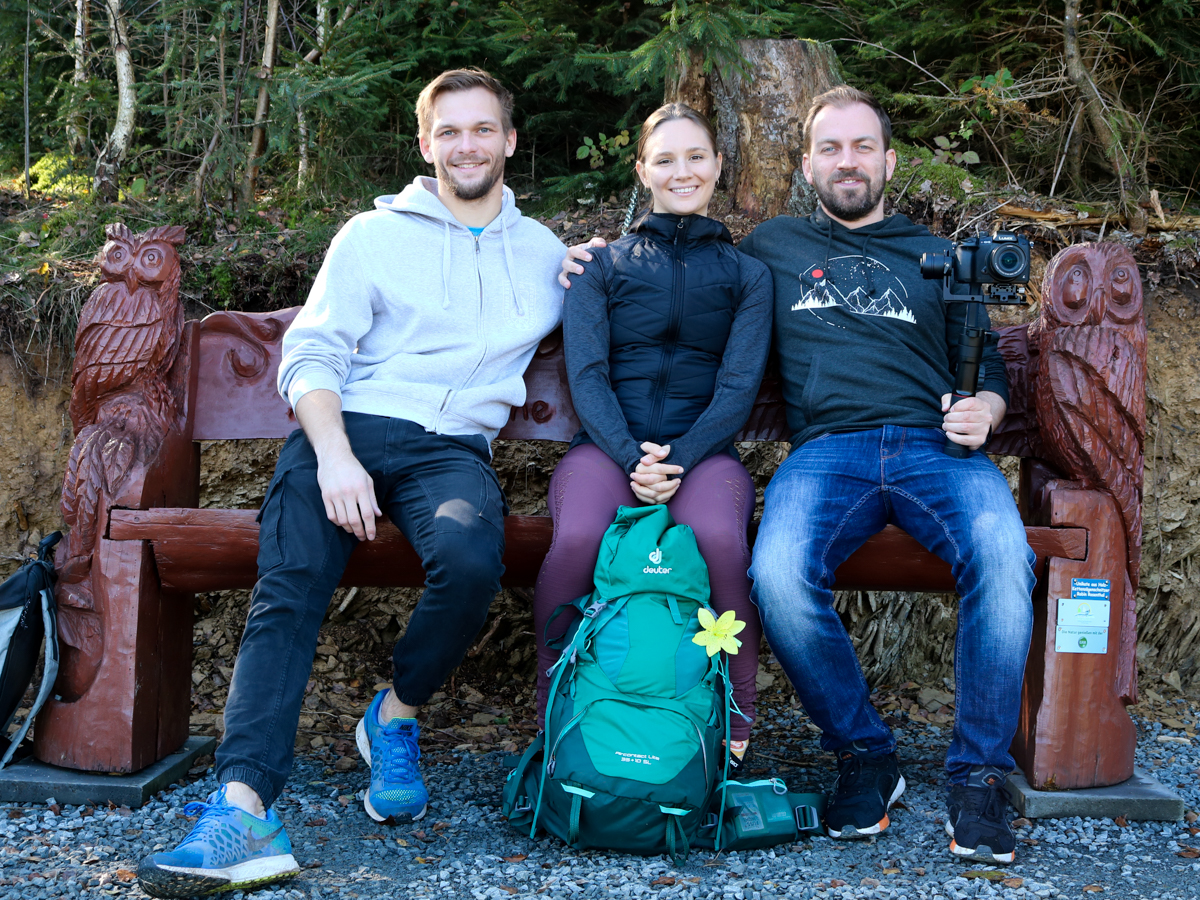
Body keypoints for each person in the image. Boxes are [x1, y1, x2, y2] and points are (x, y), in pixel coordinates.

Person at [561, 86, 1034, 865]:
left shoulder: (943, 257)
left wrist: (984, 407)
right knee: (776, 574)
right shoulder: (769, 249)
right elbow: (671, 256)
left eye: (861, 147)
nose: (846, 162)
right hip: (826, 452)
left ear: (888, 158)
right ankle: (865, 755)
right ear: (807, 164)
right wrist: (575, 256)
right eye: (829, 149)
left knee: (1004, 557)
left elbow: (988, 376)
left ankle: (977, 777)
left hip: (933, 448)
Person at [138, 68, 567, 898]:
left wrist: (600, 263)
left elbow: (617, 296)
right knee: (290, 586)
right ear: (424, 144)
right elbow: (311, 356)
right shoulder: (370, 238)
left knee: (474, 562)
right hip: (348, 430)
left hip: (451, 450)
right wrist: (334, 456)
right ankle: (243, 808)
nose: (466, 145)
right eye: (449, 132)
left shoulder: (546, 253)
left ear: (510, 141)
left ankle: (394, 714)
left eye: (483, 130)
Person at [535, 103, 773, 764]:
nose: (682, 171)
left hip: (706, 456)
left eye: (696, 156)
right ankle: (556, 702)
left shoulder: (748, 275)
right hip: (604, 451)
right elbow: (586, 374)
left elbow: (739, 384)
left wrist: (680, 458)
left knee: (721, 541)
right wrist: (631, 456)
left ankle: (734, 715)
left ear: (719, 165)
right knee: (580, 536)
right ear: (642, 170)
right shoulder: (600, 268)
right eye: (665, 159)